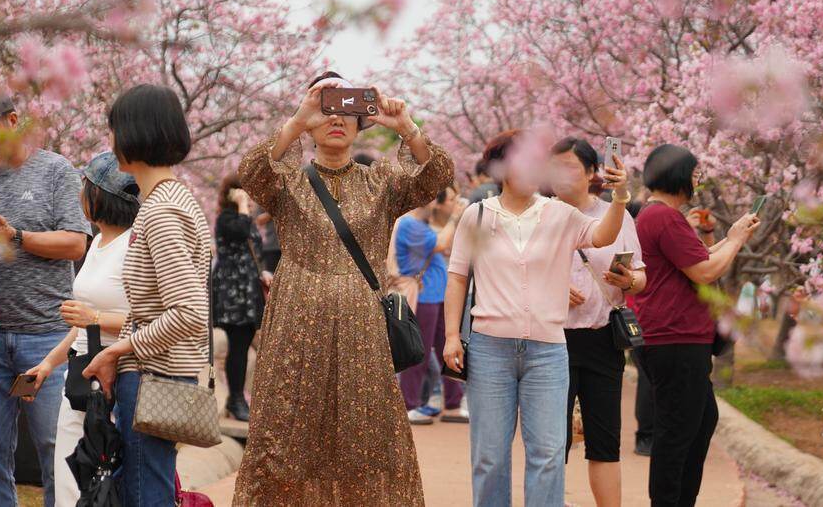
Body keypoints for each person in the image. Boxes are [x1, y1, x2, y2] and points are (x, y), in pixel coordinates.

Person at [232, 71, 453, 506]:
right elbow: (252, 172)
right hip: (295, 334)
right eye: (326, 107)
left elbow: (435, 175)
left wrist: (405, 126)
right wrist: (296, 120)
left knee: (366, 441)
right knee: (286, 439)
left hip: (362, 336)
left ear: (362, 121)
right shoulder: (287, 184)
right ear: (310, 120)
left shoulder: (382, 183)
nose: (337, 117)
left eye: (348, 109)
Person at [443, 129, 630, 507]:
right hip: (489, 348)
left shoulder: (559, 214)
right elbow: (458, 277)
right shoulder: (477, 215)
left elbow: (603, 236)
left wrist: (620, 196)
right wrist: (450, 336)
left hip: (547, 352)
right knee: (490, 456)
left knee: (547, 454)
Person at [0, 83, 91, 507]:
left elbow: (76, 243)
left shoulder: (56, 171)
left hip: (48, 337)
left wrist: (14, 236)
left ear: (13, 122)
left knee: (54, 451)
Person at [82, 85, 213, 506]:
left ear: (132, 134)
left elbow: (190, 310)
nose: (113, 141)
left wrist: (116, 350)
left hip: (153, 379)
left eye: (115, 130)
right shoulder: (176, 199)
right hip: (166, 377)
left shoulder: (160, 212)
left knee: (145, 495)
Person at [633, 144, 759, 507]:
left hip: (677, 338)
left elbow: (699, 258)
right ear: (678, 175)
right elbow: (705, 272)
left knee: (702, 421)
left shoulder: (660, 215)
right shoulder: (664, 217)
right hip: (674, 339)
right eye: (694, 172)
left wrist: (734, 236)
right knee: (676, 435)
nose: (697, 180)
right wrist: (734, 241)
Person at [21, 152, 139, 507]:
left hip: (116, 377)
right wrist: (47, 365)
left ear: (99, 195)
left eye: (84, 186)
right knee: (70, 476)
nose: (78, 193)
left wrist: (95, 317)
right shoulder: (97, 244)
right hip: (78, 376)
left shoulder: (133, 246)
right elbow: (80, 325)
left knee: (103, 481)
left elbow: (144, 318)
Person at [551, 137, 647, 507]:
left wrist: (629, 281)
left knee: (604, 440)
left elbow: (640, 275)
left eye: (570, 167)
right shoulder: (539, 215)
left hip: (602, 337)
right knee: (551, 440)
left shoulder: (616, 216)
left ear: (593, 172)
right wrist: (553, 287)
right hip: (551, 340)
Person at [397, 187, 468, 425]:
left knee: (451, 348)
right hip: (423, 297)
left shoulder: (424, 224)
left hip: (438, 296)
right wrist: (457, 216)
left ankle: (453, 404)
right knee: (420, 353)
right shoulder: (409, 224)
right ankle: (410, 405)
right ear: (432, 201)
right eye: (450, 199)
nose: (453, 204)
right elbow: (440, 244)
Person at [211, 174, 272, 422]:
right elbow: (240, 230)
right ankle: (235, 400)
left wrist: (264, 271)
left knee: (244, 342)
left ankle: (237, 397)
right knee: (237, 343)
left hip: (248, 288)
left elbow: (254, 250)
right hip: (233, 291)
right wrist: (242, 206)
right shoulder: (227, 219)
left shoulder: (246, 219)